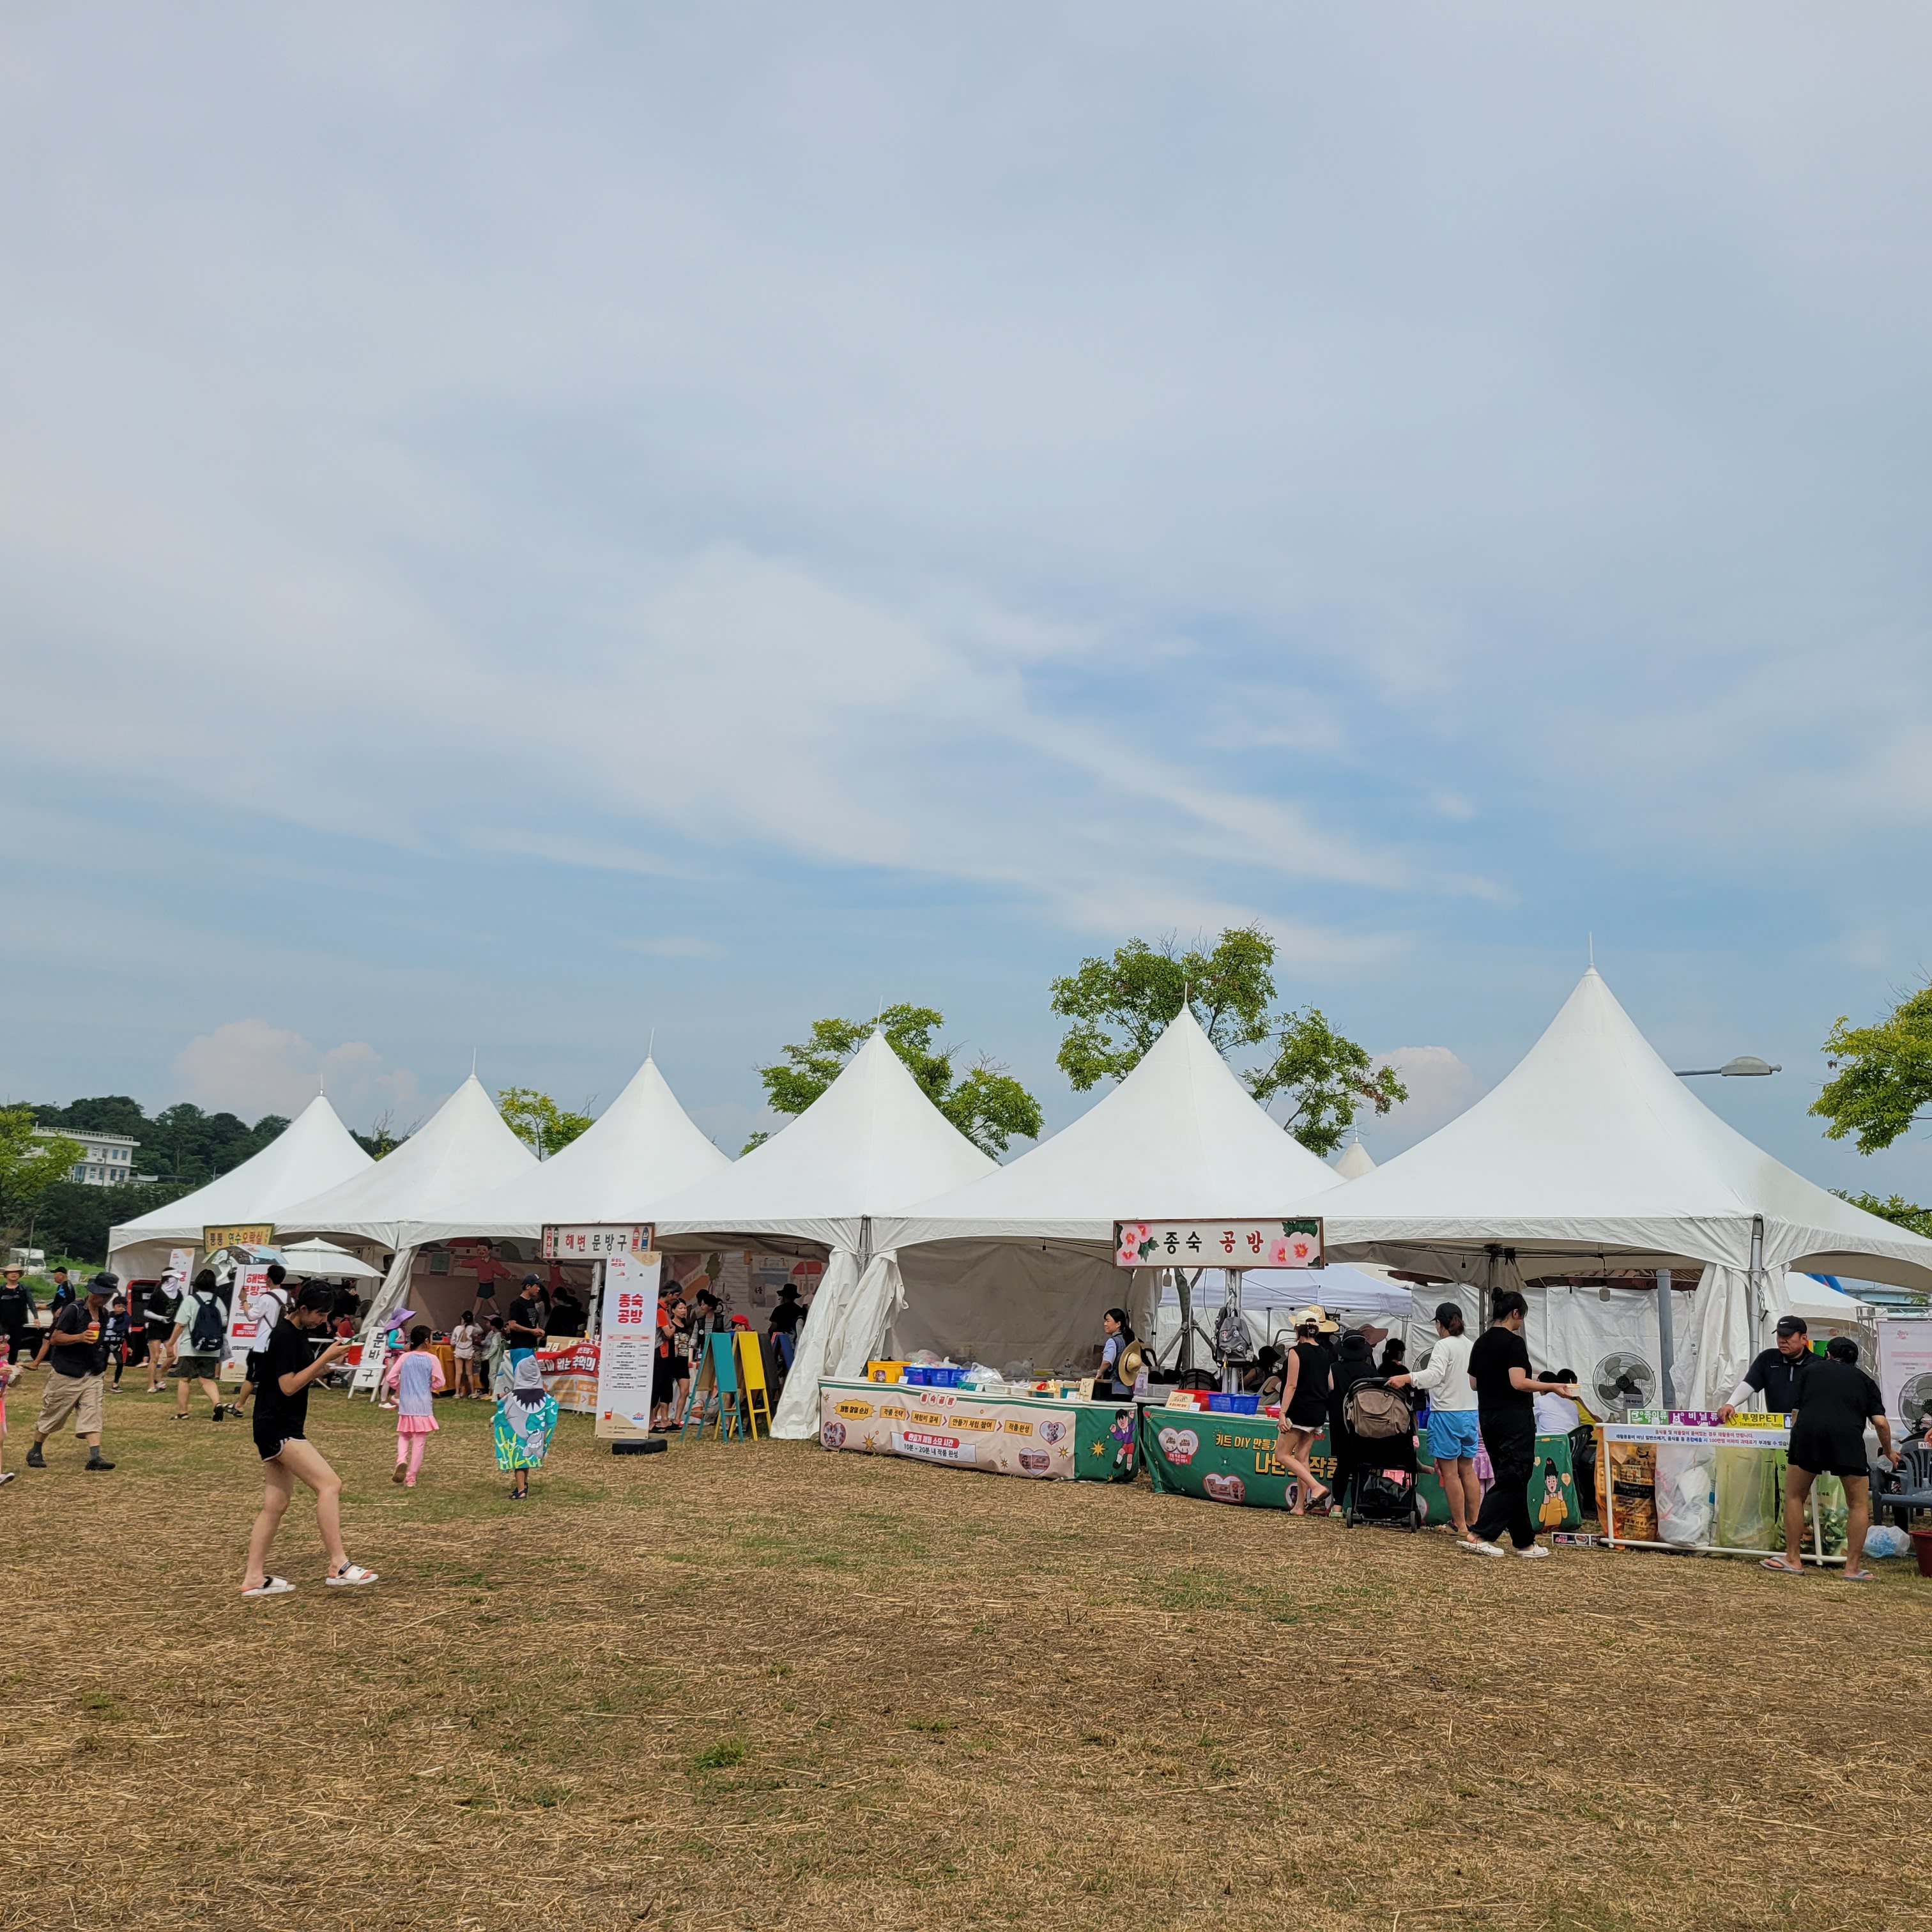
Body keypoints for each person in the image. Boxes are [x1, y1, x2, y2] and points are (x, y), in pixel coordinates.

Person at [240, 1283, 376, 1596]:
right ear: (303, 1309)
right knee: (330, 1484)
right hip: (278, 1426)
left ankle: (253, 1577)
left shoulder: (297, 1333)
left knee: (276, 1504)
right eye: (320, 1314)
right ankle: (339, 1565)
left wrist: (330, 1365)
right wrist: (323, 1358)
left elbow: (303, 1375)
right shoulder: (284, 1335)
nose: (323, 1321)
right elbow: (288, 1386)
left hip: (275, 1424)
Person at [1763, 1335, 1894, 1581]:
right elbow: (1880, 1423)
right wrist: (1888, 1451)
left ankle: (1792, 1559)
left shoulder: (1811, 1371)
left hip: (1809, 1435)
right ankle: (1852, 1568)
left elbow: (1796, 1413)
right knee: (1858, 1504)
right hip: (1847, 1440)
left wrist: (1798, 1438)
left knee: (1794, 1496)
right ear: (1854, 1360)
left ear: (1828, 1355)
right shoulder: (1865, 1381)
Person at [1461, 1291, 1578, 1558]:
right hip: (1513, 1419)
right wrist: (1552, 1386)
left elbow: (1474, 1384)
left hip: (1488, 1417)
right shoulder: (1514, 1343)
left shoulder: (1480, 1342)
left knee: (1512, 1477)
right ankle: (1480, 1534)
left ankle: (1524, 1542)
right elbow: (1518, 1382)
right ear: (1516, 1314)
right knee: (1515, 1475)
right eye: (1522, 1317)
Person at [1389, 1304, 1481, 1540]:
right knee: (1467, 1470)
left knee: (1450, 1473)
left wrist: (1406, 1378)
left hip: (1447, 1414)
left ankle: (1459, 1524)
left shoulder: (1443, 1345)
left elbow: (1434, 1376)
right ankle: (1475, 1521)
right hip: (1470, 1412)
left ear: (1439, 1324)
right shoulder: (1471, 1345)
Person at [26, 1276, 116, 1471]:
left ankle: (95, 1457)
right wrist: (80, 1337)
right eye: (104, 1294)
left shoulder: (104, 1314)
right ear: (93, 1292)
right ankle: (36, 1450)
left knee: (93, 1412)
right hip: (67, 1372)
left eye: (109, 1295)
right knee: (53, 1414)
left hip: (92, 1372)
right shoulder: (73, 1310)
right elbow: (55, 1338)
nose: (106, 1298)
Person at [1273, 1315, 1333, 1514]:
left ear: (1298, 1330)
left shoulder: (1295, 1352)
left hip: (1298, 1411)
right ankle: (1299, 1506)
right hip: (1318, 1412)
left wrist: (1282, 1413)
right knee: (1302, 1457)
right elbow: (1331, 1384)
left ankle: (1316, 1487)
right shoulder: (1325, 1353)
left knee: (1281, 1454)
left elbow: (1291, 1385)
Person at [169, 1271, 238, 1422]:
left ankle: (182, 1412)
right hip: (211, 1348)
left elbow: (181, 1324)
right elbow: (224, 1322)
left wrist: (171, 1343)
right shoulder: (218, 1301)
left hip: (190, 1347)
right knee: (206, 1379)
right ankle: (217, 1403)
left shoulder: (190, 1300)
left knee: (184, 1379)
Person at [1717, 1315, 1816, 1421]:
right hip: (1776, 1426)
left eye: (1787, 1336)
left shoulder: (1818, 1364)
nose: (1782, 1340)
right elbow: (1749, 1384)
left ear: (1803, 1339)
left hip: (1810, 1426)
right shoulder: (1768, 1359)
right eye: (1779, 1335)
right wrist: (1730, 1404)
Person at [1327, 1330, 1383, 1515]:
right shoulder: (1371, 1372)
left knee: (1342, 1466)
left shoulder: (1333, 1369)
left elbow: (1327, 1394)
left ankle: (1337, 1507)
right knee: (1361, 1467)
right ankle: (1357, 1507)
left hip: (1339, 1424)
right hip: (1364, 1426)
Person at [384, 1326, 447, 1487]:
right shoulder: (432, 1359)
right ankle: (411, 1477)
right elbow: (441, 1381)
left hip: (406, 1403)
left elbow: (391, 1378)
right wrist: (429, 1387)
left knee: (404, 1435)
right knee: (419, 1440)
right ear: (426, 1341)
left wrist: (401, 1387)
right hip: (423, 1405)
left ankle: (401, 1460)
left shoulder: (405, 1357)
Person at [493, 1354, 558, 1501]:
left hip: (519, 1438)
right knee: (526, 1460)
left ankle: (521, 1490)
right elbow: (553, 1406)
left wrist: (495, 1419)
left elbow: (504, 1411)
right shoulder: (543, 1396)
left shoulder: (514, 1396)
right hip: (535, 1434)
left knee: (519, 1461)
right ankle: (523, 1485)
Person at [138, 1275, 183, 1392]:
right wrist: (160, 1317)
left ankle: (159, 1376)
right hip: (155, 1328)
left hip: (169, 1328)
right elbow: (147, 1312)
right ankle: (151, 1384)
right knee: (155, 1357)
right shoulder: (157, 1295)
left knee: (172, 1355)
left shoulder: (178, 1296)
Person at [0, 1264, 36, 1369]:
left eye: (16, 1272)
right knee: (1, 1345)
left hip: (18, 1322)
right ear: (6, 1275)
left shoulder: (24, 1289)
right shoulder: (1, 1289)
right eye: (11, 1272)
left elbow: (31, 1303)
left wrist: (36, 1318)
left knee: (15, 1346)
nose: (14, 1274)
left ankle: (11, 1367)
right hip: (2, 1322)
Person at [503, 1276, 548, 1360]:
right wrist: (531, 1331)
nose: (538, 1289)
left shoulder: (532, 1302)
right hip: (520, 1347)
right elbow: (512, 1325)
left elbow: (534, 1321)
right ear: (528, 1286)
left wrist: (538, 1331)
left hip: (532, 1346)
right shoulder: (516, 1303)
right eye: (536, 1286)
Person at [1098, 1308, 1136, 1397]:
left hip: (1114, 1389)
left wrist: (1099, 1373)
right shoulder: (1128, 1340)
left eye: (1108, 1321)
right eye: (1105, 1321)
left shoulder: (1113, 1341)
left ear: (1118, 1324)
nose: (1105, 1324)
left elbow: (1107, 1361)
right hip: (1128, 1390)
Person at [767, 1284, 805, 1374]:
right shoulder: (800, 1310)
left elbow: (774, 1326)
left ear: (784, 1297)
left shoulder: (779, 1310)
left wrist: (768, 1334)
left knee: (776, 1367)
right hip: (796, 1343)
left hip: (780, 1343)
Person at [0, 1332, 22, 1485]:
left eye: (5, 1341)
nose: (3, 1345)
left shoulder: (4, 1362)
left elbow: (11, 1384)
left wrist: (17, 1375)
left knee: (0, 1439)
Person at [1533, 1369, 1581, 1436]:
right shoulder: (1573, 1404)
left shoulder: (1540, 1401)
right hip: (1572, 1442)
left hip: (1551, 1441)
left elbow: (1529, 1422)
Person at [102, 1291, 130, 1390]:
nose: (121, 1309)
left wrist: (130, 1346)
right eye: (119, 1306)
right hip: (105, 1343)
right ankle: (100, 1383)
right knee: (103, 1364)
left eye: (123, 1307)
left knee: (120, 1363)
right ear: (114, 1307)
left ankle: (115, 1383)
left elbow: (126, 1333)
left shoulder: (125, 1319)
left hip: (117, 1344)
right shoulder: (107, 1316)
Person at [450, 1311, 481, 1398]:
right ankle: (473, 1392)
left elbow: (452, 1343)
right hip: (468, 1352)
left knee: (458, 1373)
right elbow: (481, 1330)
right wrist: (475, 1323)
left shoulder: (457, 1328)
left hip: (459, 1352)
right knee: (469, 1373)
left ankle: (457, 1393)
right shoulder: (472, 1328)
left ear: (462, 1319)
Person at [481, 1315, 509, 1398]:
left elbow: (494, 1348)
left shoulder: (497, 1336)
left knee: (492, 1375)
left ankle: (495, 1394)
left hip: (495, 1358)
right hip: (499, 1357)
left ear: (493, 1326)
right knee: (494, 1374)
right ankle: (492, 1393)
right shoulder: (500, 1335)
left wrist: (487, 1357)